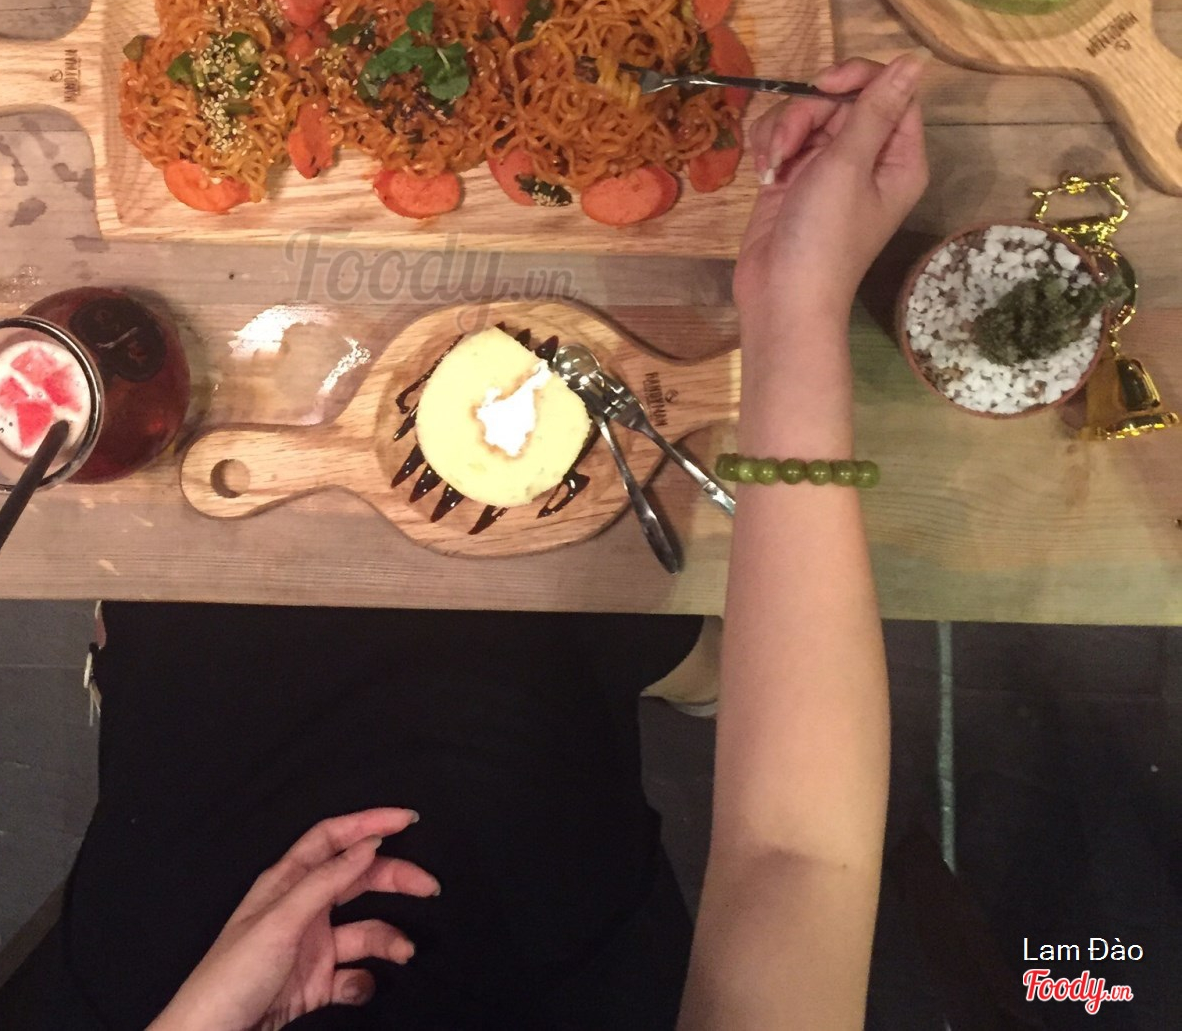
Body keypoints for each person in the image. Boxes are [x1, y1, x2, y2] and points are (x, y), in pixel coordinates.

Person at [50, 53, 928, 1031]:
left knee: (165, 618)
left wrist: (199, 1018)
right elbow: (798, 856)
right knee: (591, 626)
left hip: (174, 865)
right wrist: (795, 305)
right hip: (542, 769)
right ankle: (679, 663)